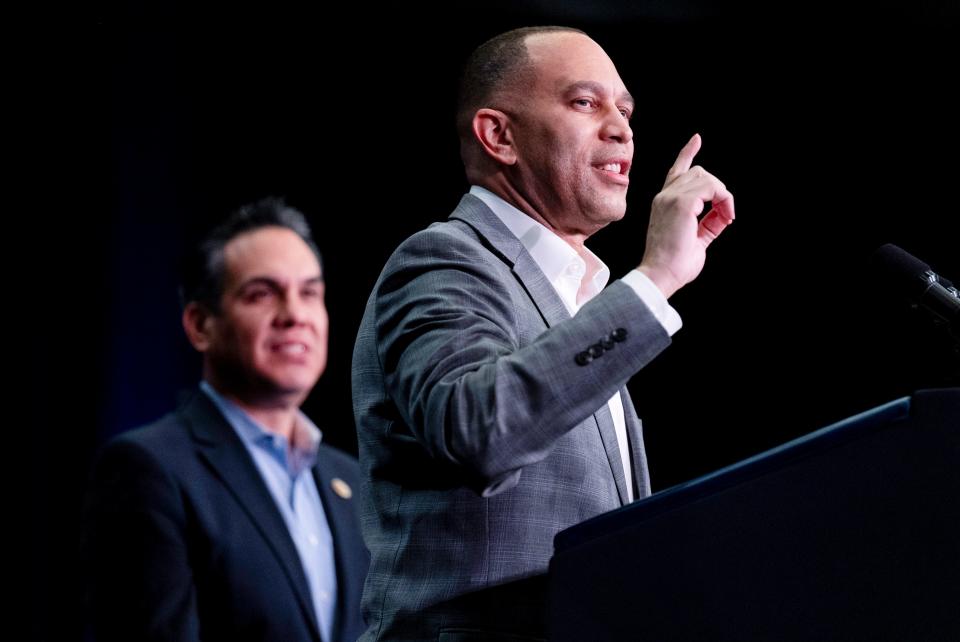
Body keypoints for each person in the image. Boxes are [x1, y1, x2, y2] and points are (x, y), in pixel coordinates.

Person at [351, 26, 735, 641]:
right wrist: (656, 277)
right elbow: (477, 430)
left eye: (625, 109)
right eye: (586, 102)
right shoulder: (443, 260)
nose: (621, 128)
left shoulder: (577, 299)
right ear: (498, 135)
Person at [82, 198, 369, 642]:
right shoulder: (149, 469)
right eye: (261, 294)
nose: (295, 315)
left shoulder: (351, 481)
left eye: (309, 293)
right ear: (200, 325)